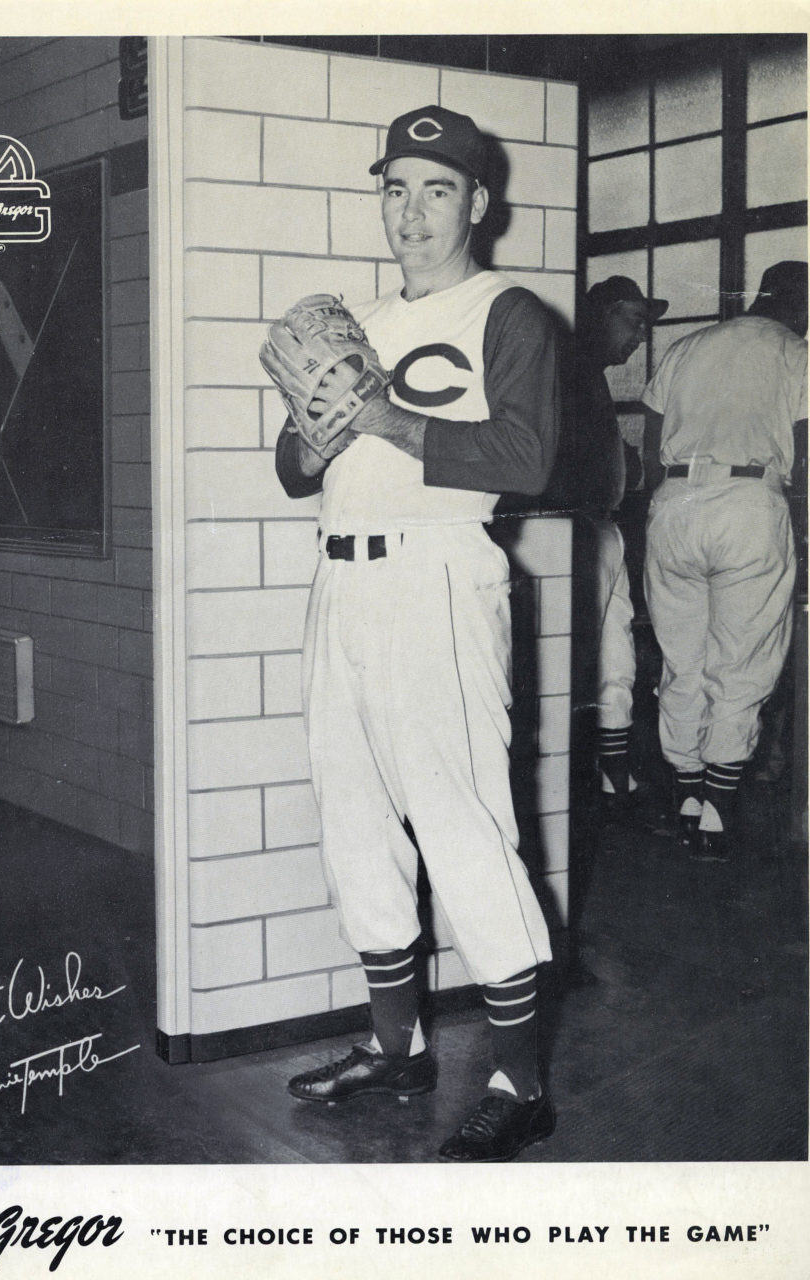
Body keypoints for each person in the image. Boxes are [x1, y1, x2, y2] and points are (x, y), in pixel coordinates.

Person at [274, 105, 561, 1162]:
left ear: (478, 202)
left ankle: (516, 1080)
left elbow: (528, 457)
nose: (412, 211)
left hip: (438, 578)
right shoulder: (356, 317)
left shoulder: (508, 311)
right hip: (338, 586)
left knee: (462, 826)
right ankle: (397, 1048)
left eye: (436, 189)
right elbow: (294, 469)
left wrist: (382, 417)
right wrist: (314, 425)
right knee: (353, 822)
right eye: (394, 187)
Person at [641, 261, 807, 861]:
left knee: (682, 661)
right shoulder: (798, 351)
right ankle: (717, 811)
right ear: (801, 305)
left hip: (675, 504)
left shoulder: (688, 346)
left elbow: (649, 443)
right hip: (748, 504)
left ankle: (686, 795)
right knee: (742, 662)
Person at [574, 277, 668, 818]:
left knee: (615, 651)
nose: (639, 336)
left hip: (601, 526)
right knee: (591, 653)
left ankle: (613, 774)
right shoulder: (569, 369)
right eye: (633, 321)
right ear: (604, 313)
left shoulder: (589, 376)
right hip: (575, 531)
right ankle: (593, 776)